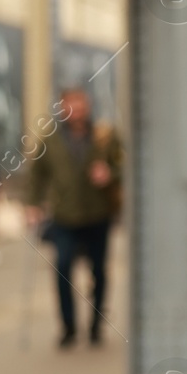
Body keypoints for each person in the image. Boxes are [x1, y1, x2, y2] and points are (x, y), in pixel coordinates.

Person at [25, 88, 123, 347]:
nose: (76, 110)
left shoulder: (105, 137)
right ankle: (68, 326)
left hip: (97, 214)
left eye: (80, 105)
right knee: (63, 268)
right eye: (71, 105)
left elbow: (125, 166)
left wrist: (110, 173)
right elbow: (37, 174)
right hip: (64, 217)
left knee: (99, 272)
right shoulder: (51, 139)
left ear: (87, 106)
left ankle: (95, 325)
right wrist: (33, 204)